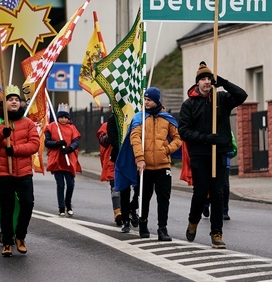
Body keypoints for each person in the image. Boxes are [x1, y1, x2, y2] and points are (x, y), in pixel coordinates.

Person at [179, 61, 247, 249]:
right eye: (203, 79)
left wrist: (223, 81)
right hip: (200, 154)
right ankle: (193, 222)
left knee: (218, 193)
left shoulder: (221, 99)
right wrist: (206, 138)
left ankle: (217, 233)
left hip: (219, 153)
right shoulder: (189, 105)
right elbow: (183, 132)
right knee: (201, 193)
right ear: (197, 83)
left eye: (209, 79)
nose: (207, 82)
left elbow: (242, 95)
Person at [117, 88, 182, 240]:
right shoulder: (140, 118)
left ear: (157, 100)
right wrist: (139, 158)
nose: (146, 102)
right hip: (145, 166)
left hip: (163, 166)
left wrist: (167, 149)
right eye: (145, 99)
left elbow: (178, 139)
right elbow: (135, 138)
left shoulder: (167, 118)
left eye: (149, 100)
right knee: (144, 197)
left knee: (164, 198)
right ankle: (143, 224)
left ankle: (162, 229)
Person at [0, 85, 39, 257]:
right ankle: (7, 240)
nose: (14, 102)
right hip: (3, 173)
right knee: (6, 208)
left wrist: (14, 150)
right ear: (4, 103)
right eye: (10, 99)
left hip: (23, 172)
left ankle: (20, 236)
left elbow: (34, 144)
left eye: (16, 99)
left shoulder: (28, 123)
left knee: (28, 203)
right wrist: (2, 133)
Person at [44, 105, 81, 217]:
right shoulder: (51, 127)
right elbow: (47, 142)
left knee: (70, 184)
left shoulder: (72, 128)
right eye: (61, 117)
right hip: (57, 160)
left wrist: (70, 148)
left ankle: (68, 204)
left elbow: (76, 141)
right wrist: (57, 143)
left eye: (66, 117)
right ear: (58, 117)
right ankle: (61, 207)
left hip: (69, 159)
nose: (63, 119)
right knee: (60, 184)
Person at [96, 114, 121, 225]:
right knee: (115, 186)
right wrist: (111, 134)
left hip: (125, 160)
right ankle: (117, 211)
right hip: (112, 160)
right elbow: (102, 141)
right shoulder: (106, 125)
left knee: (126, 189)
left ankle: (129, 211)